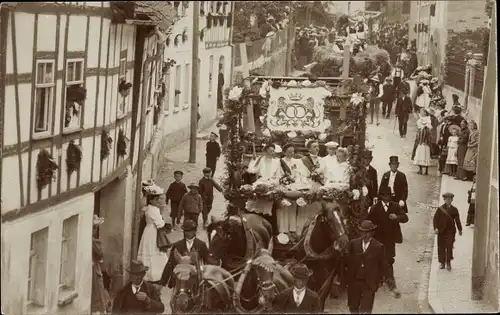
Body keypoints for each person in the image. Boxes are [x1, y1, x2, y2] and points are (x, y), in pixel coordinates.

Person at [366, 186, 408, 295]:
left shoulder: (395, 206)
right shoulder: (375, 208)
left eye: (389, 196)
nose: (387, 198)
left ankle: (391, 281)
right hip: (378, 239)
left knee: (389, 259)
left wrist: (397, 217)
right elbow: (368, 220)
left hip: (390, 238)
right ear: (381, 197)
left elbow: (405, 218)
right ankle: (380, 278)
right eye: (385, 196)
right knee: (379, 259)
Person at [346, 220, 387, 314]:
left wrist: (378, 281)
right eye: (362, 232)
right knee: (353, 307)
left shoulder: (379, 247)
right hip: (354, 282)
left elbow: (383, 266)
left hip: (369, 284)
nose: (365, 234)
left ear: (372, 233)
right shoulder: (353, 244)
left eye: (367, 232)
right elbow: (347, 261)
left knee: (366, 310)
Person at [155, 220, 211, 288]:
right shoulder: (177, 245)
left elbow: (207, 262)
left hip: (195, 279)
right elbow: (170, 263)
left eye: (190, 231)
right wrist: (162, 282)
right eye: (186, 231)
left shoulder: (201, 245)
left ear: (194, 231)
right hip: (180, 279)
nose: (188, 233)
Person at [137, 185, 169, 282]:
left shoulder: (148, 208)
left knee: (148, 249)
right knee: (154, 250)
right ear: (151, 200)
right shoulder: (154, 210)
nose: (158, 201)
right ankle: (154, 275)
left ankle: (148, 274)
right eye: (156, 200)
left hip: (148, 231)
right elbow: (160, 224)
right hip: (153, 232)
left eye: (158, 199)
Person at [433, 193, 463, 271]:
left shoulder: (454, 210)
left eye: (449, 199)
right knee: (441, 247)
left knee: (449, 246)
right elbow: (435, 219)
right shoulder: (440, 209)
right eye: (446, 199)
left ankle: (448, 262)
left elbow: (457, 220)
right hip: (441, 231)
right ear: (444, 200)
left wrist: (460, 229)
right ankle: (442, 263)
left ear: (452, 200)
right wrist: (435, 228)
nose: (448, 201)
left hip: (450, 231)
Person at [92, 215, 111, 314]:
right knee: (97, 291)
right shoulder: (94, 241)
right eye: (95, 228)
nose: (96, 231)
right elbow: (100, 254)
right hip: (94, 269)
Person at [413, 109, 433, 175]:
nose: (420, 113)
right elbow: (419, 127)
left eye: (422, 111)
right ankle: (420, 169)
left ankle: (426, 170)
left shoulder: (428, 119)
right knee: (419, 153)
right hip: (420, 138)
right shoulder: (419, 120)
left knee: (426, 153)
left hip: (426, 139)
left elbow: (428, 128)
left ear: (425, 112)